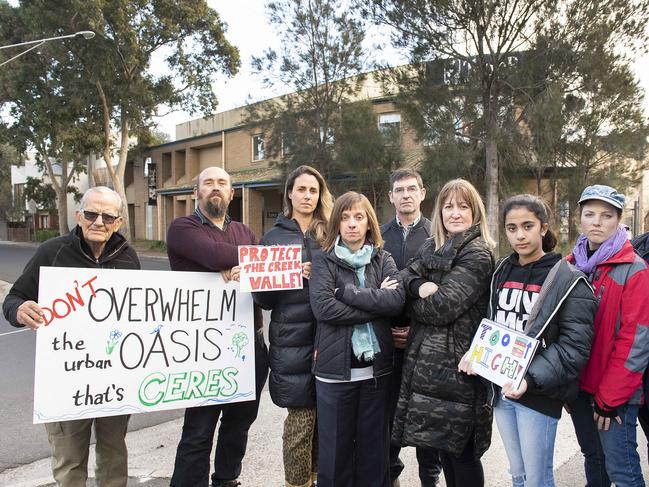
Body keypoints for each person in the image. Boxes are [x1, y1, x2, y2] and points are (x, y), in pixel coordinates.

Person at [2, 186, 139, 487]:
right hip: (65, 380)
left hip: (114, 379)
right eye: (91, 214)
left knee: (114, 455)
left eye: (107, 216)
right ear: (79, 216)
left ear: (118, 222)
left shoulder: (129, 258)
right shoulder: (52, 252)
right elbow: (13, 299)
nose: (98, 221)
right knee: (69, 462)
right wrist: (19, 309)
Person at [471, 194, 596, 487]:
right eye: (512, 228)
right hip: (502, 388)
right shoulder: (501, 269)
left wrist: (530, 379)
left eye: (528, 226)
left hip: (537, 393)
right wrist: (474, 354)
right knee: (518, 474)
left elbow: (574, 347)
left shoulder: (568, 279)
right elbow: (492, 321)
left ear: (543, 227)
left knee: (537, 479)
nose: (519, 235)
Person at [167, 166, 269, 487]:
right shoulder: (181, 228)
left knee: (238, 425)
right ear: (196, 192)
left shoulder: (244, 231)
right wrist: (253, 257)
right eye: (208, 183)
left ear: (231, 193)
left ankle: (226, 480)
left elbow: (264, 272)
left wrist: (246, 262)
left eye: (222, 183)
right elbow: (212, 255)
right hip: (203, 348)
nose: (215, 188)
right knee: (199, 430)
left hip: (249, 346)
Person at [392, 178, 494, 487]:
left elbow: (442, 307)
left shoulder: (477, 253)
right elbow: (401, 279)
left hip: (457, 369)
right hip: (426, 368)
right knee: (442, 451)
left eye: (463, 207)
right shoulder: (432, 245)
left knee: (461, 455)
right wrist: (420, 286)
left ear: (475, 212)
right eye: (448, 206)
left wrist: (411, 305)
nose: (455, 213)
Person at [309, 191, 405, 487]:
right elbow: (324, 308)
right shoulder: (323, 260)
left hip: (376, 373)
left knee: (374, 454)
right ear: (336, 222)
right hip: (334, 373)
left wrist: (348, 294)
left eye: (359, 217)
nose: (352, 224)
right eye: (346, 217)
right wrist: (374, 306)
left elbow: (395, 302)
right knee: (334, 455)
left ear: (369, 223)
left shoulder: (383, 258)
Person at [253, 165, 333, 487]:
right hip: (290, 344)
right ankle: (297, 483)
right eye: (301, 189)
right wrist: (288, 276)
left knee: (325, 427)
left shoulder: (330, 233)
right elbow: (263, 299)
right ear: (289, 193)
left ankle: (317, 479)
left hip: (328, 339)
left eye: (313, 190)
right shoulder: (272, 238)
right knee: (300, 425)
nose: (307, 196)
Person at [567, 184, 649, 487]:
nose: (597, 222)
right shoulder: (571, 265)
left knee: (622, 471)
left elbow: (636, 342)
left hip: (613, 396)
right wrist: (566, 384)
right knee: (594, 460)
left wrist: (610, 398)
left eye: (606, 215)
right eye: (589, 214)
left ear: (619, 220)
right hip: (579, 389)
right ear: (580, 220)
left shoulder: (634, 270)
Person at [380, 168, 441, 487]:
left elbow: (442, 289)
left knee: (426, 423)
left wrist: (416, 327)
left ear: (423, 193)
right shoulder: (376, 235)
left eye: (411, 188)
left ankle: (429, 480)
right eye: (399, 189)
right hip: (384, 341)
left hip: (425, 342)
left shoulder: (437, 236)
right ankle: (391, 478)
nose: (406, 194)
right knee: (387, 421)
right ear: (390, 196)